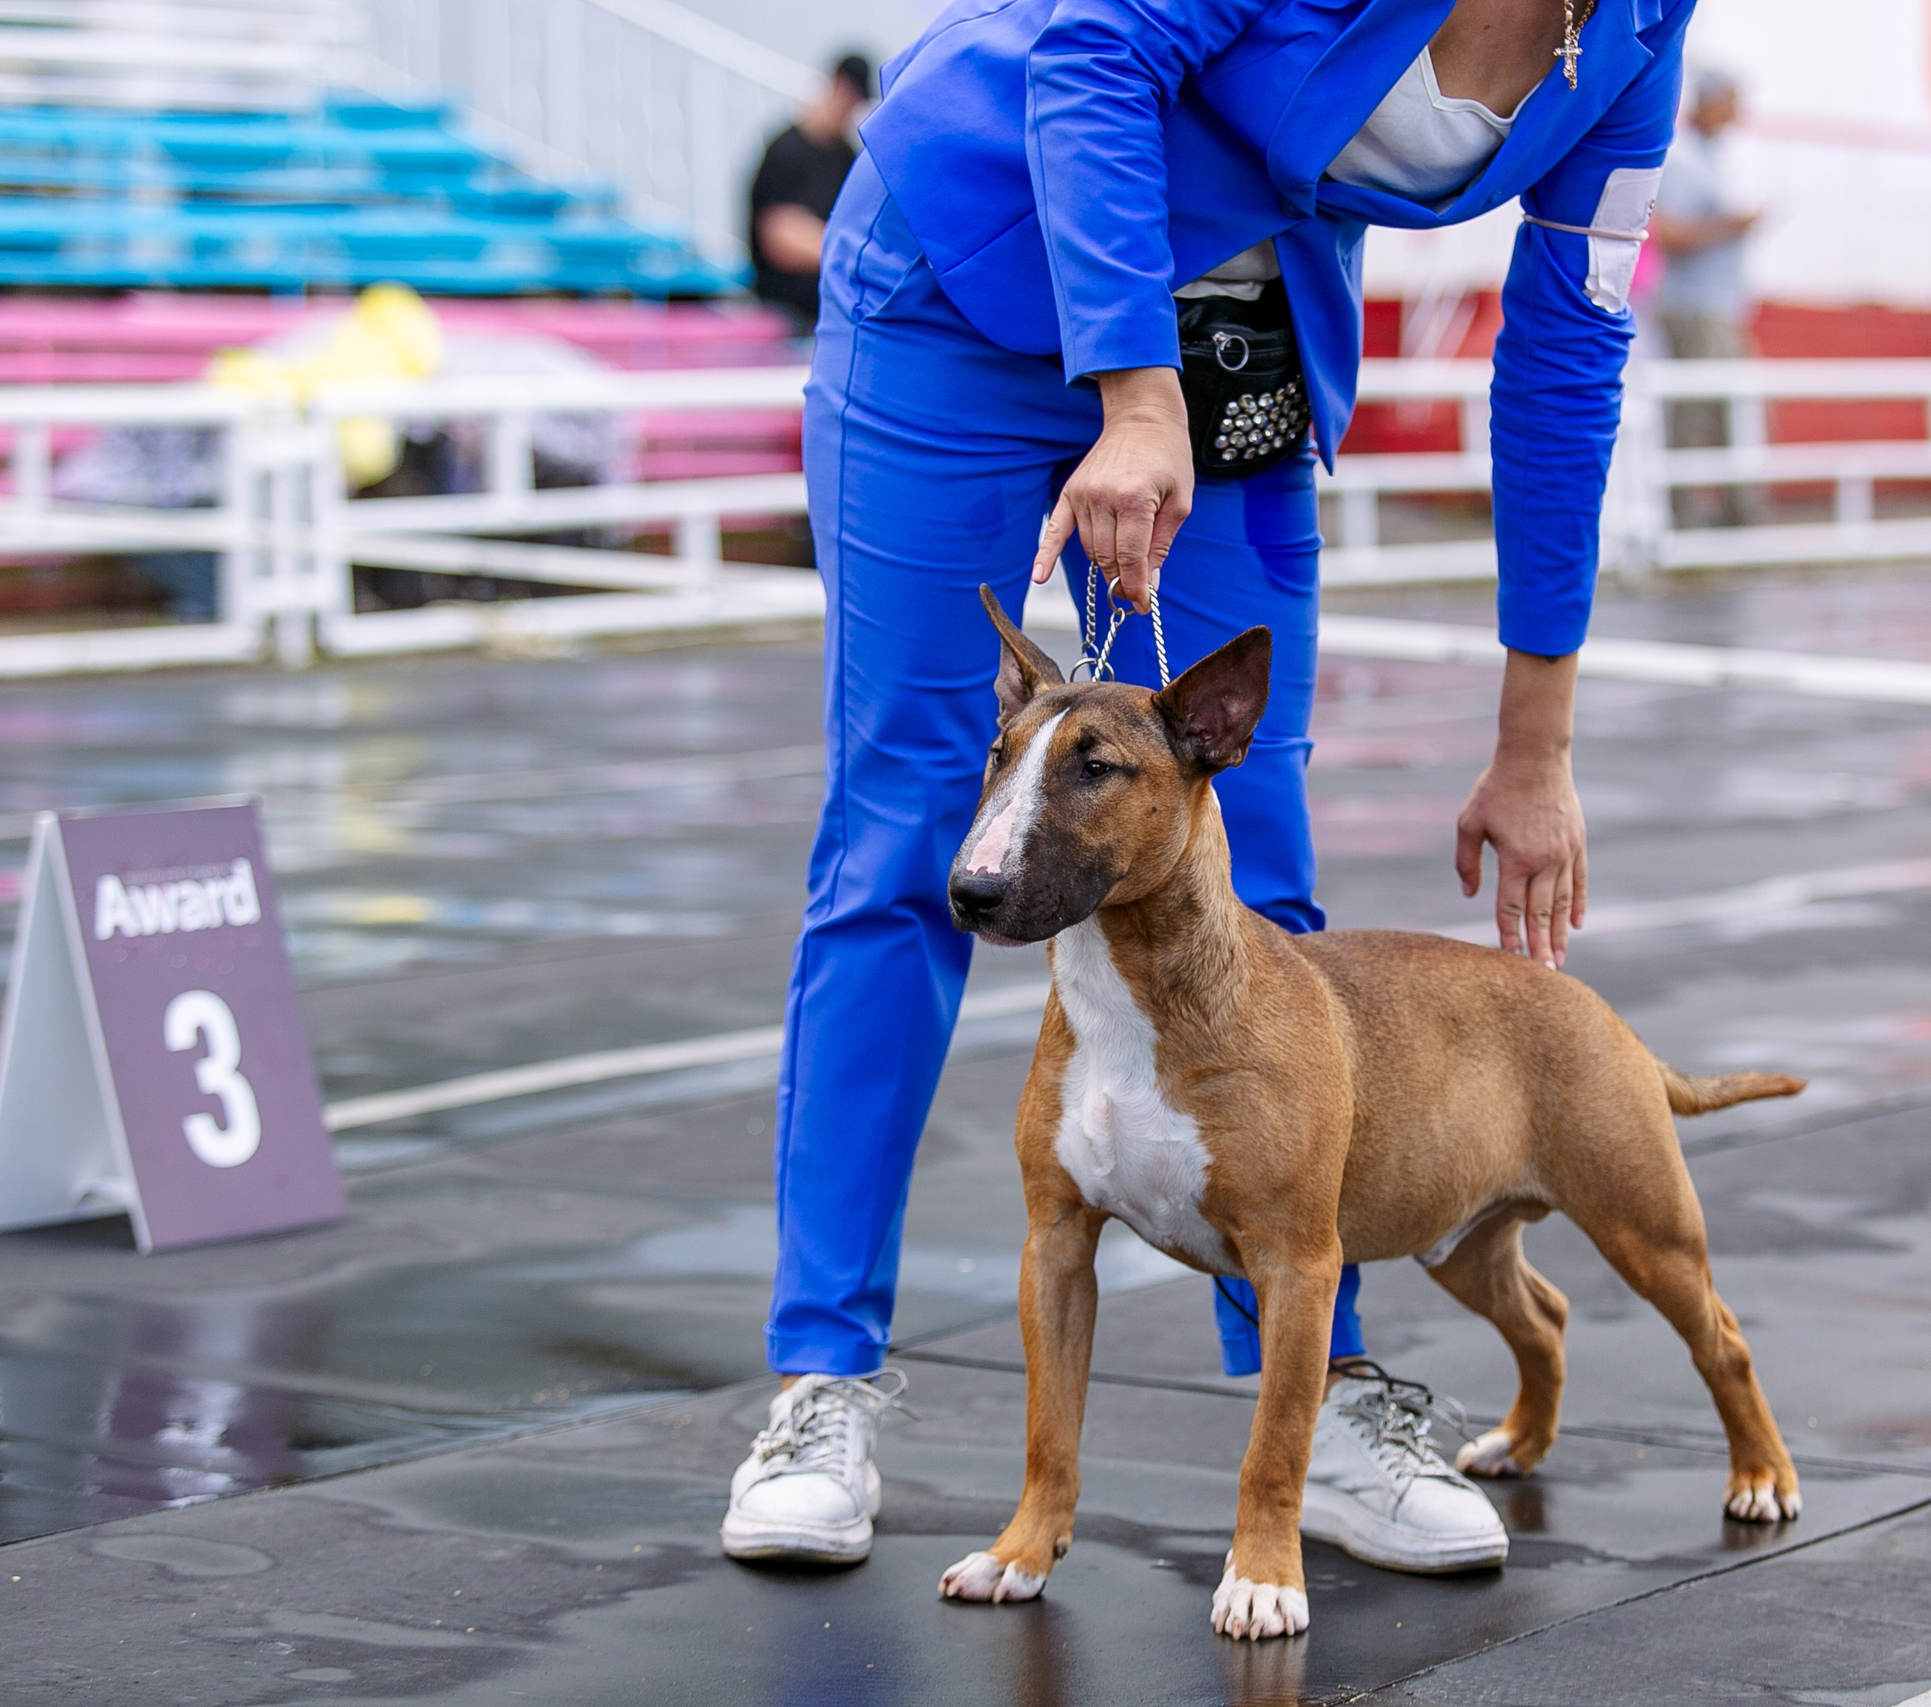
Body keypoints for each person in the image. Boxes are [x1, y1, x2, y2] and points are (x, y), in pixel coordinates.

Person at [719, 0, 1693, 1581]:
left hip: (1232, 342)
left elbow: (1571, 348)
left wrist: (1535, 742)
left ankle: (1306, 1409)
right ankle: (824, 1380)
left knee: (1260, 868)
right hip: (967, 274)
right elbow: (1090, 56)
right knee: (913, 841)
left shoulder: (1638, 40)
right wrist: (1131, 388)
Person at [1648, 68, 1758, 525]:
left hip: (1716, 303)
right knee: (1695, 412)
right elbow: (1666, 232)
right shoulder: (1684, 158)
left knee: (1725, 410)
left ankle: (1726, 513)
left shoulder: (1712, 157)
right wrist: (1732, 226)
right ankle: (1688, 517)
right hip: (1693, 306)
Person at [745, 55, 872, 328]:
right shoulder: (786, 151)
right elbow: (781, 239)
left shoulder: (844, 154)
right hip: (787, 301)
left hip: (831, 297)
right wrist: (850, 254)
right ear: (840, 88)